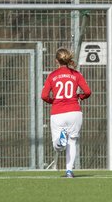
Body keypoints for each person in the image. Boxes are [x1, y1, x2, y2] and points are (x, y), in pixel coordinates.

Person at [41, 47, 91, 178]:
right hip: (75, 112)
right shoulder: (76, 74)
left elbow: (44, 96)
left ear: (56, 61)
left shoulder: (52, 76)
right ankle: (69, 171)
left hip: (58, 112)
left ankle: (60, 141)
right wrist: (79, 97)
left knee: (57, 146)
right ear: (69, 60)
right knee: (72, 142)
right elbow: (88, 92)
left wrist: (54, 101)